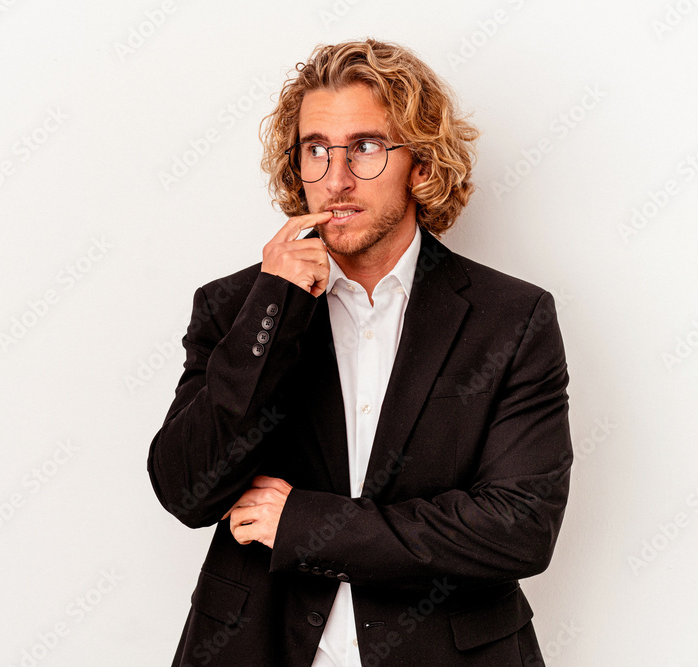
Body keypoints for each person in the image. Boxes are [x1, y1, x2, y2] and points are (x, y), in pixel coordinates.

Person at [147, 38, 572, 667]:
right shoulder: (238, 308)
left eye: (366, 147)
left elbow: (518, 529)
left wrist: (304, 526)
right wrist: (274, 307)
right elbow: (188, 490)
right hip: (257, 646)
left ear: (423, 165)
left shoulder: (512, 318)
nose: (336, 179)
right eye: (316, 150)